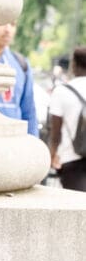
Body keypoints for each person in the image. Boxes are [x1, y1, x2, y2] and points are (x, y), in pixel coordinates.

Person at [0, 22, 39, 137]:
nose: (8, 29)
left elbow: (29, 111)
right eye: (2, 23)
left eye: (13, 24)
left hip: (13, 140)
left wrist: (33, 142)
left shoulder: (21, 64)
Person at [48, 46, 86, 192]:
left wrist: (52, 155)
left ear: (74, 64)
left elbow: (55, 132)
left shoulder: (61, 91)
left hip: (70, 159)